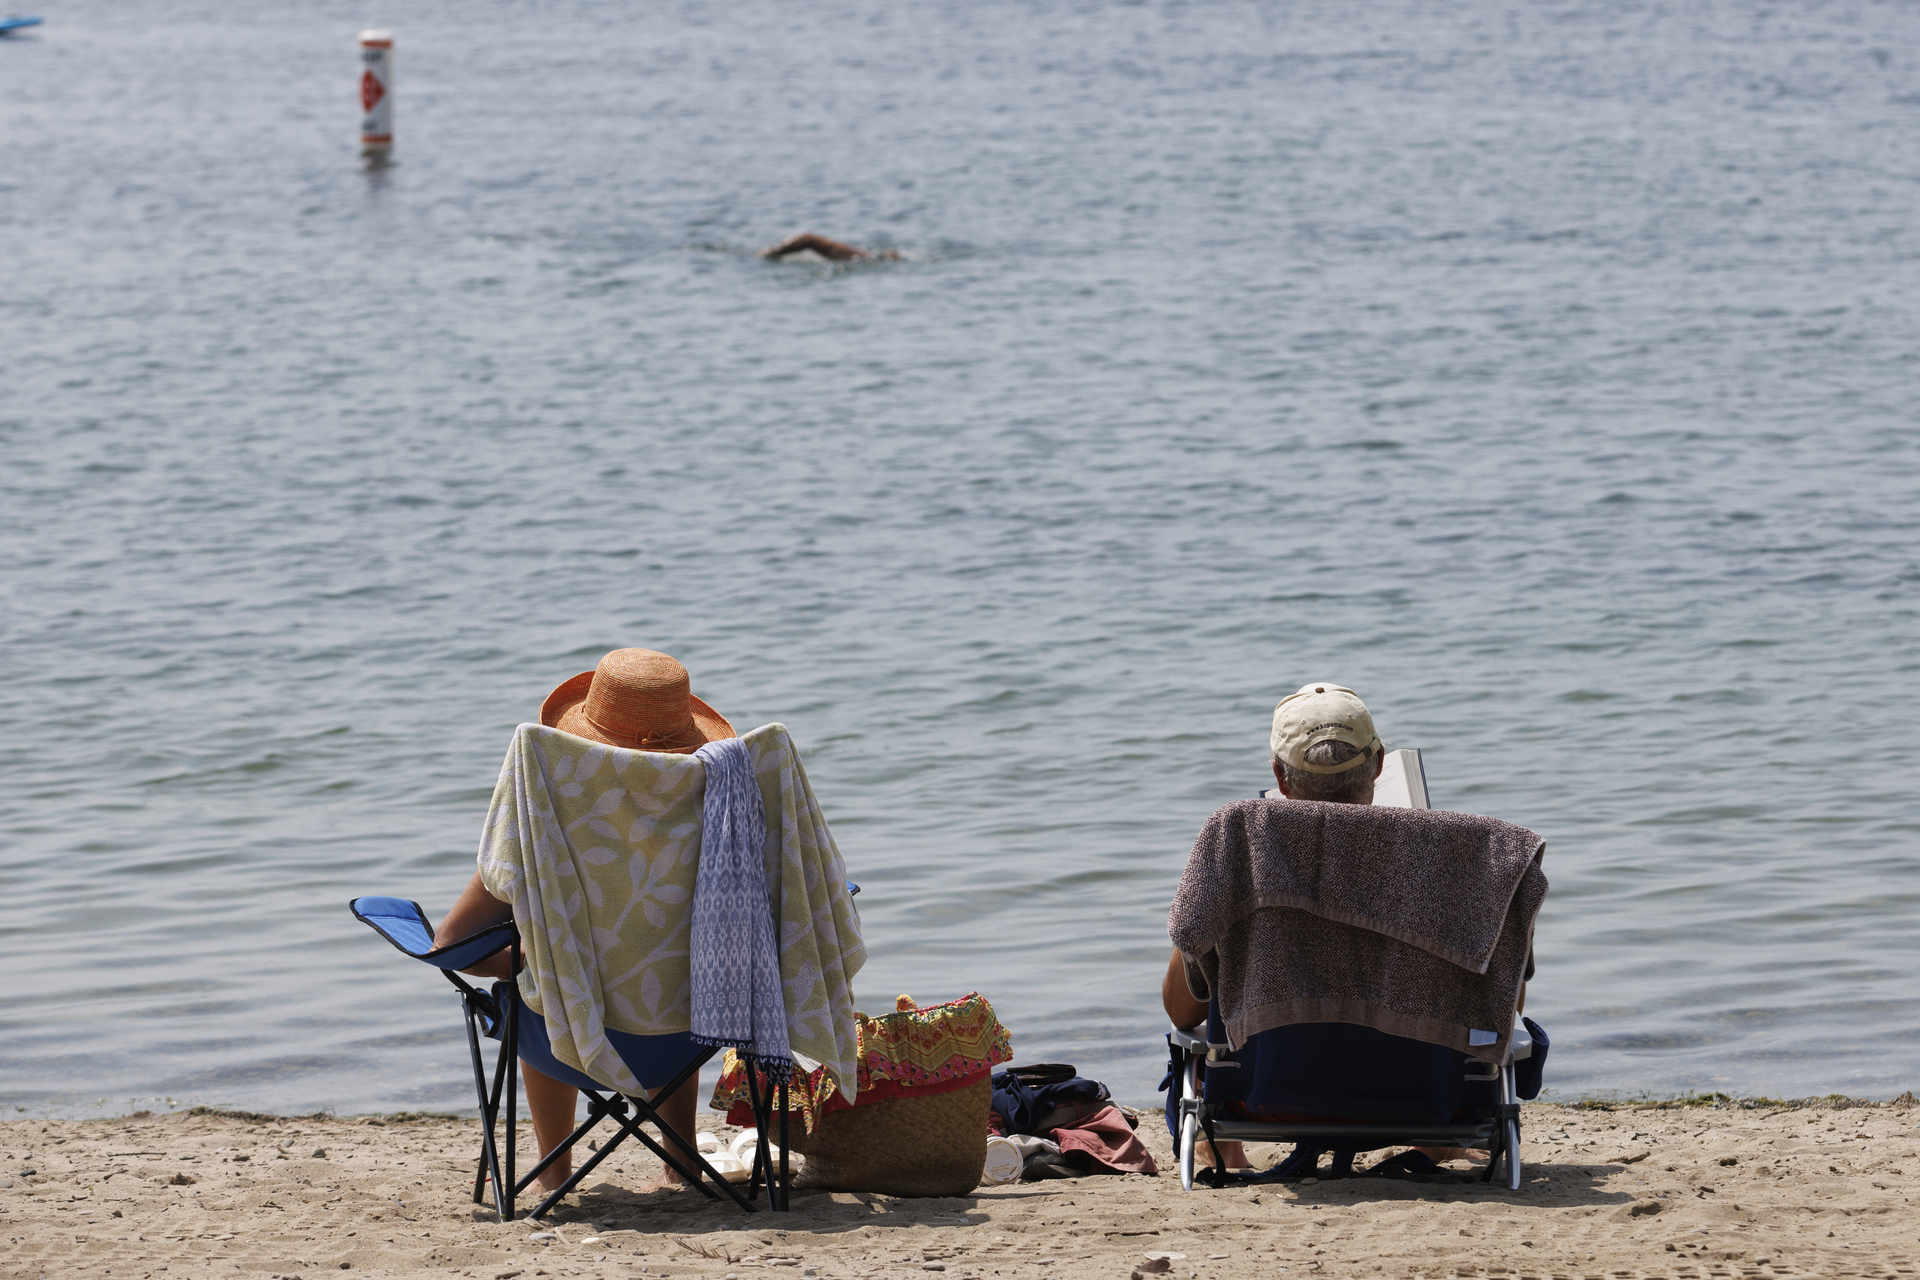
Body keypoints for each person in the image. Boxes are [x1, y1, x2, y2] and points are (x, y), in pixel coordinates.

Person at [433, 648, 737, 1195]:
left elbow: (454, 945)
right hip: (692, 1031)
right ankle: (683, 1162)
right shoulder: (727, 814)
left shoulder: (543, 820)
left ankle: (554, 1173)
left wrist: (549, 960)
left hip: (563, 1036)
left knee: (543, 988)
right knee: (674, 972)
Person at [1160, 682, 1387, 1175]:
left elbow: (1182, 1011)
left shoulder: (1238, 853)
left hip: (1262, 1100)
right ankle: (1438, 1146)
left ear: (1280, 779)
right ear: (1381, 764)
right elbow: (1503, 1007)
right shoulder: (1449, 858)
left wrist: (1215, 890)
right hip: (1417, 1100)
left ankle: (1217, 1146)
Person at [759, 232, 899, 262]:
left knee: (808, 239)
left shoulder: (862, 256)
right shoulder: (860, 257)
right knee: (808, 239)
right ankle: (770, 253)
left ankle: (770, 253)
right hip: (832, 251)